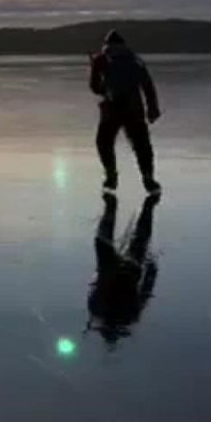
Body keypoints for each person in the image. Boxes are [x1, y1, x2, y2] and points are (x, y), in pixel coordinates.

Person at [89, 30, 161, 193]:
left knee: (104, 142)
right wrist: (152, 108)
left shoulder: (101, 59)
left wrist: (103, 87)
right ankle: (148, 178)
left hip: (111, 110)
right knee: (142, 146)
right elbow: (147, 85)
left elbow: (94, 87)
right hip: (134, 109)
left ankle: (111, 175)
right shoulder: (136, 60)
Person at [87, 193, 160, 346]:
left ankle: (121, 206)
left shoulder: (102, 311)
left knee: (136, 240)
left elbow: (145, 291)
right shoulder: (102, 311)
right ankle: (119, 206)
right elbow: (145, 291)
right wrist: (151, 271)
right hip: (125, 270)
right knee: (109, 240)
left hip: (119, 270)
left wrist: (152, 271)